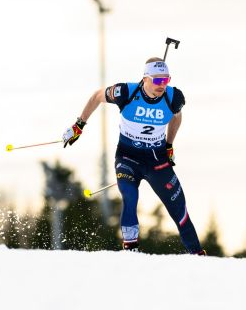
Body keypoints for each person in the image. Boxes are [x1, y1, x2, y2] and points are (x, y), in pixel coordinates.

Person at [62, 57, 206, 255]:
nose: (162, 85)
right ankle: (131, 250)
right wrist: (79, 125)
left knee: (178, 206)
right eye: (157, 80)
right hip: (128, 157)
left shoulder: (173, 97)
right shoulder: (126, 92)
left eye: (166, 80)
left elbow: (177, 117)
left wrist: (169, 145)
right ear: (145, 78)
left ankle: (197, 254)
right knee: (130, 196)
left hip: (156, 160)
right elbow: (97, 96)